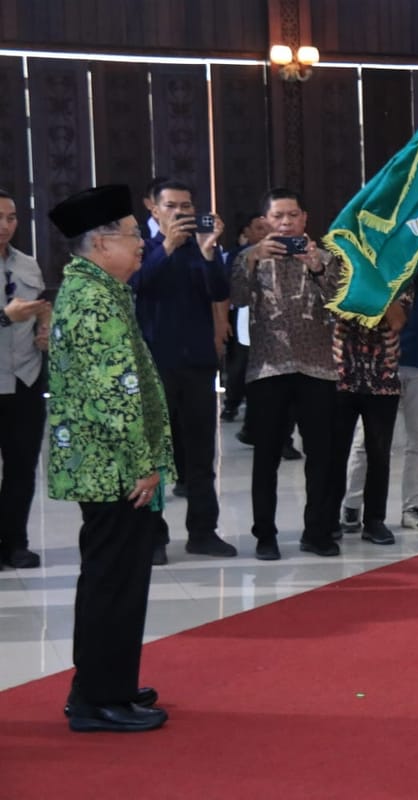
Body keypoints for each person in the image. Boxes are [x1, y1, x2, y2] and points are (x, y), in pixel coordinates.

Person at [46, 184, 172, 732]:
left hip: (107, 466)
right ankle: (99, 699)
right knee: (112, 582)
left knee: (116, 578)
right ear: (100, 244)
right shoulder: (94, 298)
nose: (142, 243)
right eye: (132, 234)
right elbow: (112, 395)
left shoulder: (98, 289)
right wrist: (144, 462)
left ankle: (107, 682)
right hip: (113, 470)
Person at [230, 188, 342, 561]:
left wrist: (317, 266)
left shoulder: (325, 257)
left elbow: (339, 303)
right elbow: (236, 298)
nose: (286, 222)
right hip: (268, 368)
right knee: (266, 457)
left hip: (318, 368)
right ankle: (265, 535)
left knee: (321, 456)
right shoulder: (249, 258)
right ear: (266, 222)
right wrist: (251, 259)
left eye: (293, 215)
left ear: (304, 219)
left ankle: (318, 532)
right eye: (278, 216)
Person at [133, 179, 236, 560]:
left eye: (186, 206)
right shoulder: (140, 246)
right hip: (154, 365)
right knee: (156, 455)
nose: (181, 212)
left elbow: (219, 292)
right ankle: (154, 537)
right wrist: (167, 248)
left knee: (200, 455)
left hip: (195, 364)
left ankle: (203, 531)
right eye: (172, 206)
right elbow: (136, 285)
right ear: (153, 208)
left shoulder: (200, 245)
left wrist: (210, 255)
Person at [342, 233, 418, 534]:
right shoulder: (387, 256)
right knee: (366, 441)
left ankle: (412, 506)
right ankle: (352, 505)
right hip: (383, 360)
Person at [0, 188, 51, 569]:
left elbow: (40, 311)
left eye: (12, 218)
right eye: (0, 218)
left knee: (21, 466)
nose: (6, 226)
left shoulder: (28, 264)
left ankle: (15, 540)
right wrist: (5, 318)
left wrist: (45, 328)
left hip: (26, 379)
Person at [330, 298, 406, 544]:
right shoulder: (340, 265)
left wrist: (380, 286)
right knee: (334, 453)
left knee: (379, 453)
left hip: (382, 376)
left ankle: (375, 521)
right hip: (342, 373)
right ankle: (328, 518)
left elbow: (397, 320)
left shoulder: (396, 272)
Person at [221, 212, 270, 422]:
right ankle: (231, 404)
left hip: (274, 321)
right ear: (246, 233)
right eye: (259, 228)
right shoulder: (239, 254)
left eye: (269, 228)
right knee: (241, 363)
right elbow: (229, 289)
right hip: (244, 315)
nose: (266, 233)